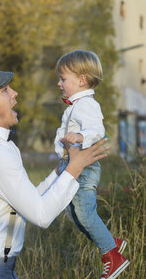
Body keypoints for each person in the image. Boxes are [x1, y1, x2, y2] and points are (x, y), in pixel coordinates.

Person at [0, 69, 109, 279]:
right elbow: (41, 215)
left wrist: (62, 169)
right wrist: (74, 169)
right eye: (5, 90)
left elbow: (27, 201)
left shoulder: (0, 147)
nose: (15, 93)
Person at [55, 50, 129, 279]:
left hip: (85, 167)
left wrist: (80, 137)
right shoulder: (74, 106)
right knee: (74, 214)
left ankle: (112, 255)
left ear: (81, 80)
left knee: (85, 214)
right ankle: (111, 241)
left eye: (63, 79)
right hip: (73, 165)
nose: (59, 84)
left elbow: (96, 130)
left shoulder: (87, 104)